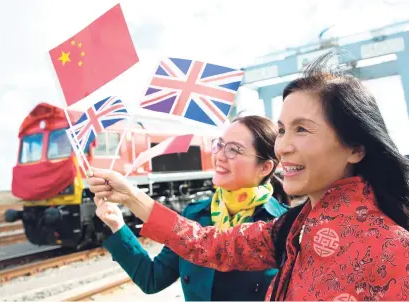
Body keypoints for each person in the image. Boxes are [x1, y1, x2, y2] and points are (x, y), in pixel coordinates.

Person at [88, 53, 409, 301]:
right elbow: (206, 244)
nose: (283, 146)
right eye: (282, 130)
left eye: (301, 129)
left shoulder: (396, 249)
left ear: (355, 148)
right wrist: (131, 198)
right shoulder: (291, 229)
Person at [91, 115, 288, 301]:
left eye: (234, 150)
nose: (219, 155)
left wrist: (132, 197)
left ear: (265, 167)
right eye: (219, 145)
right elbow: (152, 278)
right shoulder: (194, 215)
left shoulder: (283, 225)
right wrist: (117, 225)